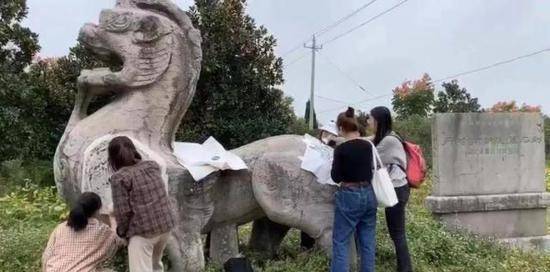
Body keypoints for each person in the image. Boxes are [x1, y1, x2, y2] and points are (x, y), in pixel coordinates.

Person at [108, 136, 176, 272]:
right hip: (165, 225)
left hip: (143, 232)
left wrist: (121, 233)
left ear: (113, 158)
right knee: (155, 265)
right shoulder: (152, 166)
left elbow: (123, 212)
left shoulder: (119, 178)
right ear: (134, 150)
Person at [330, 107, 377, 272]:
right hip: (370, 194)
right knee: (367, 241)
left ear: (341, 128)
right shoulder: (367, 146)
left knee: (341, 241)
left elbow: (335, 177)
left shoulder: (341, 150)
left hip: (349, 196)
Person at [369, 106, 413, 272]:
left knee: (398, 233)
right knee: (397, 233)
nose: (368, 121)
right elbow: (369, 140)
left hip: (396, 189)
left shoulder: (388, 141)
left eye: (370, 118)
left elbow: (369, 156)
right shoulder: (388, 137)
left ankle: (405, 269)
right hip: (398, 188)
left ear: (378, 121)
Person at [42, 192, 125, 272]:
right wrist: (112, 216)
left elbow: (46, 256)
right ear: (97, 210)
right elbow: (119, 240)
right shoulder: (100, 230)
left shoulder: (61, 228)